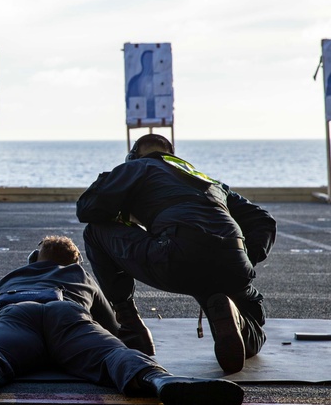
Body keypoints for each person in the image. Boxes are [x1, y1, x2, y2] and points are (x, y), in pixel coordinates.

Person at [0, 236, 244, 405]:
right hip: (67, 314)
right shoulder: (80, 277)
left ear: (34, 257)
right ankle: (162, 381)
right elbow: (113, 327)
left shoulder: (11, 277)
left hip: (19, 312)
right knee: (113, 355)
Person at [76, 134, 277, 374]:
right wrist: (246, 260)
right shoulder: (205, 179)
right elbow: (263, 220)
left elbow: (88, 209)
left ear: (134, 155)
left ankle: (131, 327)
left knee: (95, 232)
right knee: (253, 333)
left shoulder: (137, 167)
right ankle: (235, 317)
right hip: (233, 259)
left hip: (178, 254)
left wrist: (123, 212)